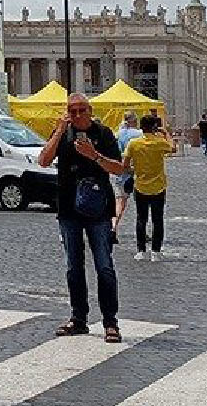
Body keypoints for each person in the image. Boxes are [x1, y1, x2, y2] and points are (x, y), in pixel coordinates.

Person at [39, 93, 126, 344]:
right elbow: (43, 161)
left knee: (104, 266)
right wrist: (57, 132)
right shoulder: (63, 134)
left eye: (81, 110)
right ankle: (79, 318)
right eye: (71, 111)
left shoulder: (104, 133)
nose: (76, 115)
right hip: (68, 209)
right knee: (73, 267)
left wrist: (94, 155)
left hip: (99, 209)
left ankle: (110, 321)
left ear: (90, 110)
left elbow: (119, 168)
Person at [122, 115, 177, 261]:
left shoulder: (134, 143)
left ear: (141, 127)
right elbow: (173, 148)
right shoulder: (159, 143)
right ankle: (156, 251)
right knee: (157, 219)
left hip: (140, 185)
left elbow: (125, 165)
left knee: (141, 218)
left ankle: (141, 250)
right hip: (158, 185)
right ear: (154, 127)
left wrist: (136, 170)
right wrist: (166, 133)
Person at [112, 114, 144, 231]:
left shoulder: (118, 134)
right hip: (137, 171)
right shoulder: (139, 134)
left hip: (121, 170)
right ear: (135, 121)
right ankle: (142, 230)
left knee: (120, 201)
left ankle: (113, 226)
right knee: (142, 204)